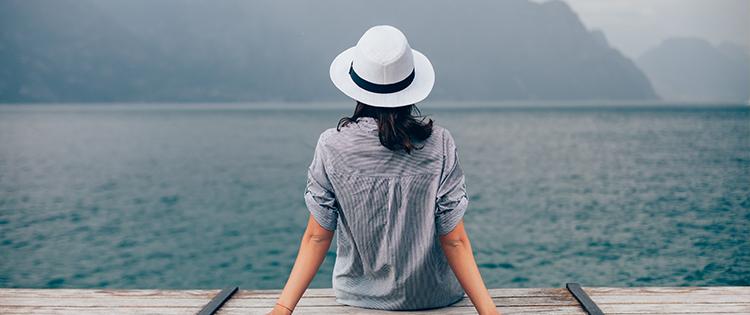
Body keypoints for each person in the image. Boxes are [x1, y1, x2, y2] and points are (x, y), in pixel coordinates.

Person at [268, 25, 500, 315]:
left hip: (357, 298)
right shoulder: (440, 143)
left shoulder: (331, 145)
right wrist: (489, 312)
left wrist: (283, 308)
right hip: (434, 298)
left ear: (357, 86)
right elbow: (454, 239)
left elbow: (317, 236)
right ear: (410, 86)